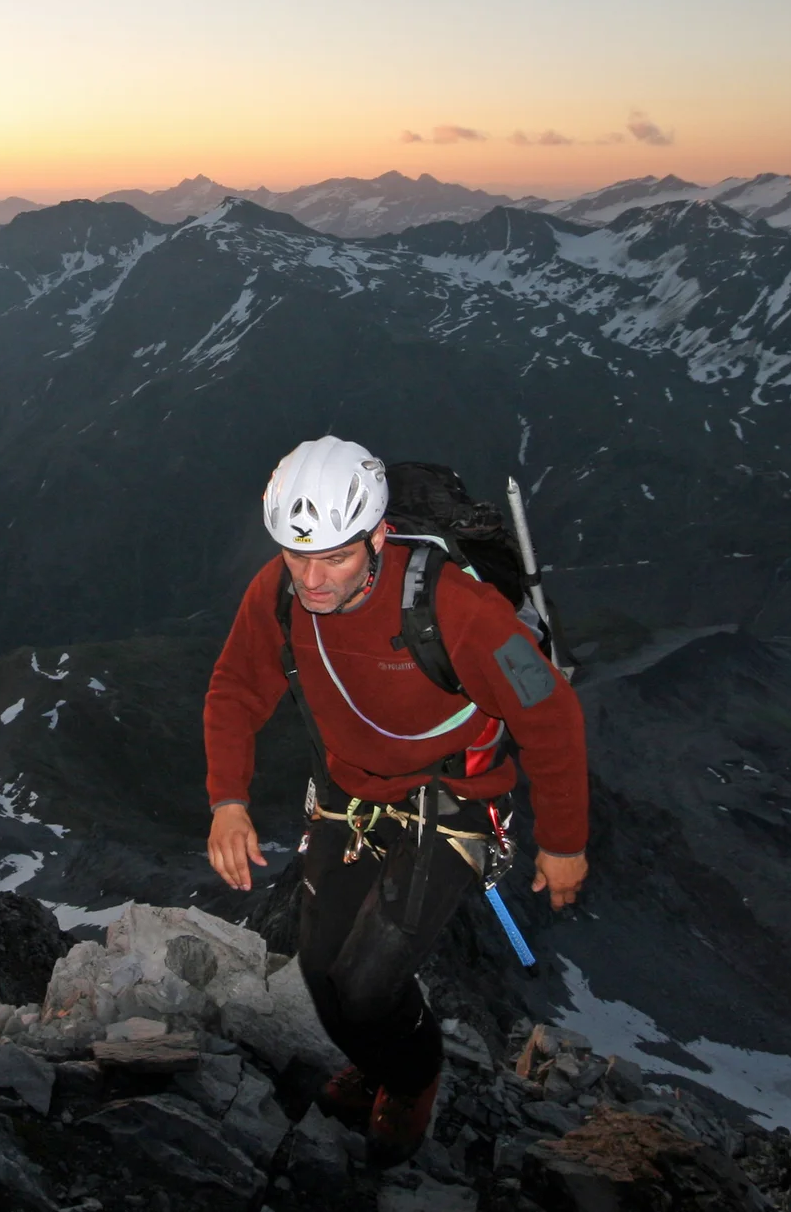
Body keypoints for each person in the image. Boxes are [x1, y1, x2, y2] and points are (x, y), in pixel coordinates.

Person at [204, 435, 589, 1167]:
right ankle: (381, 1063)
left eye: (336, 556)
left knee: (369, 979)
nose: (313, 580)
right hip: (351, 797)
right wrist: (228, 799)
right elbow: (234, 688)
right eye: (297, 554)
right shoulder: (278, 593)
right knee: (320, 972)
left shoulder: (458, 608)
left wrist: (564, 842)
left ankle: (412, 1080)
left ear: (378, 534)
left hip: (455, 799)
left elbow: (550, 710)